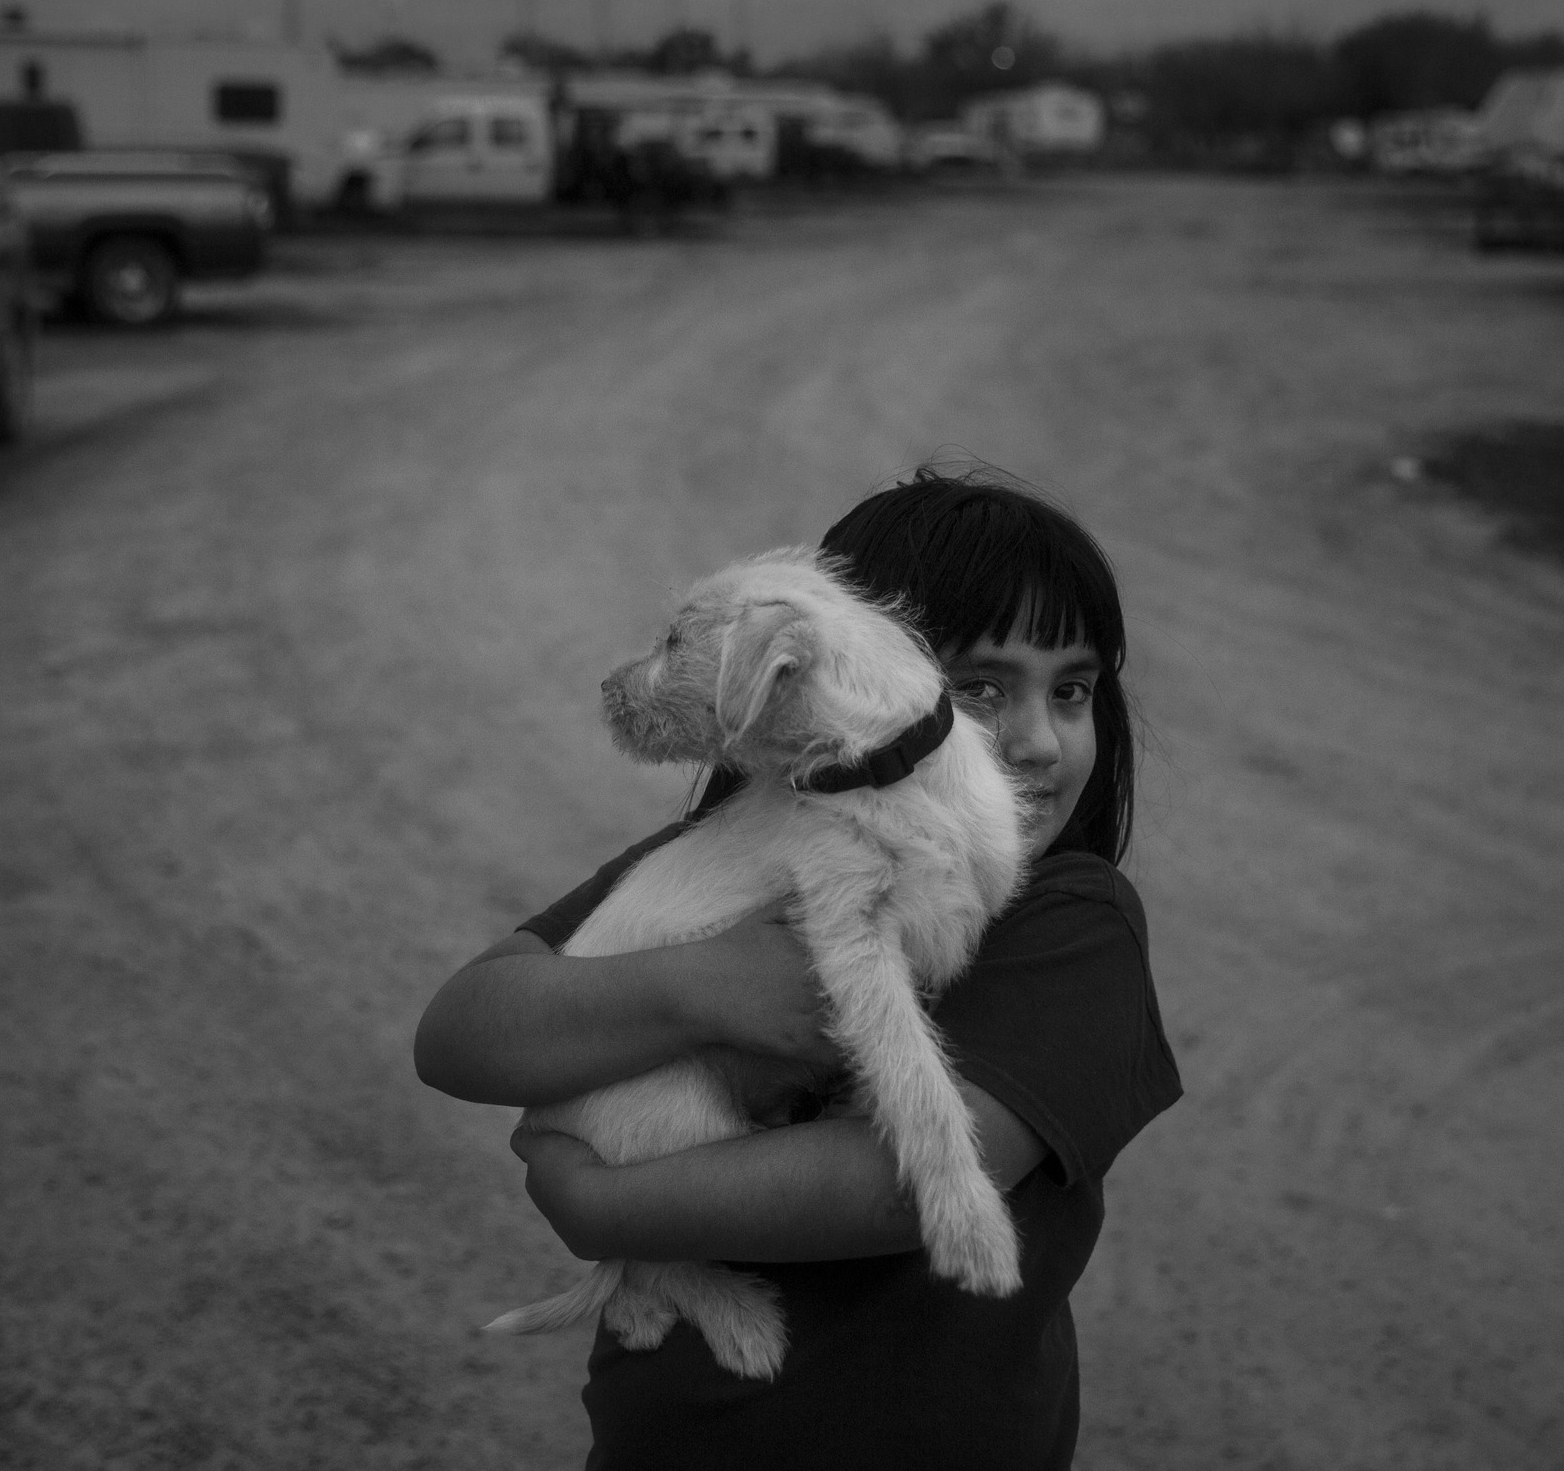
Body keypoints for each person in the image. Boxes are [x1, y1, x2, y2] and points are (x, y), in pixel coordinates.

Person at [415, 467, 1182, 1470]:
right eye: (978, 688)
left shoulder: (1069, 922)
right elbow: (461, 1033)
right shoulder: (748, 845)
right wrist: (703, 981)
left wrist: (601, 1206)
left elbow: (898, 1188)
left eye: (1073, 689)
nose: (1038, 738)